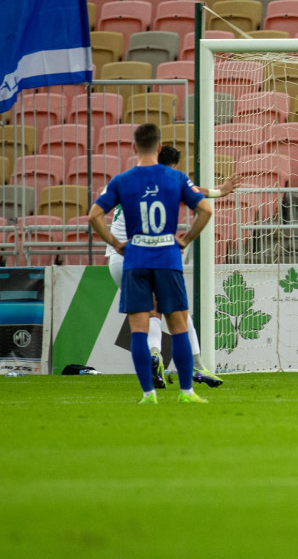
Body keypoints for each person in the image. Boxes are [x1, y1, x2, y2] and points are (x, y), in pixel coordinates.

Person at [89, 124, 213, 404]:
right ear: (159, 148)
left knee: (139, 328)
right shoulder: (176, 177)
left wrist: (115, 243)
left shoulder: (121, 180)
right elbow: (205, 209)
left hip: (135, 259)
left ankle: (148, 394)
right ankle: (186, 392)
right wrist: (186, 239)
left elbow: (94, 215)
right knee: (179, 324)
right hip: (167, 257)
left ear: (134, 148)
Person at [103, 145, 239, 390]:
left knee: (150, 313)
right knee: (178, 313)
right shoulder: (170, 182)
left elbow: (96, 212)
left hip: (116, 259)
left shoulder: (129, 181)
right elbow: (197, 197)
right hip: (146, 257)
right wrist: (221, 192)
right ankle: (197, 367)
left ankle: (155, 357)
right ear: (174, 167)